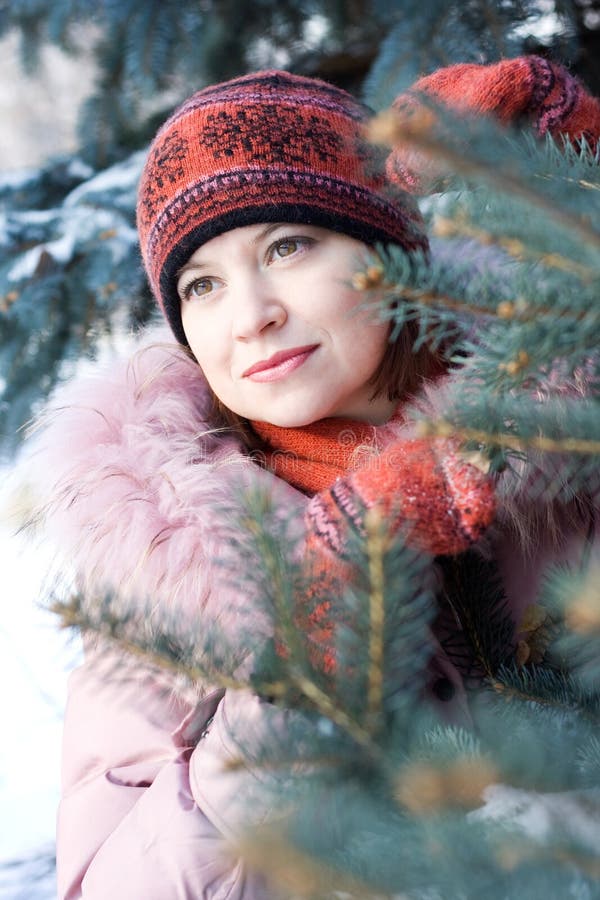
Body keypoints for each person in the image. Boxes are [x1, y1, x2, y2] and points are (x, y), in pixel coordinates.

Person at [30, 59, 599, 898]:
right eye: (203, 285)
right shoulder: (163, 573)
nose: (250, 313)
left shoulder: (567, 450)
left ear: (387, 247)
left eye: (288, 245)